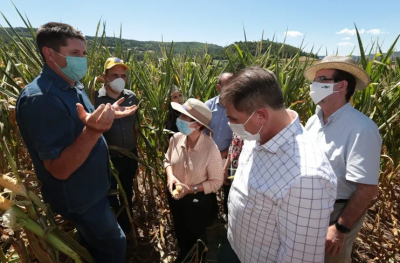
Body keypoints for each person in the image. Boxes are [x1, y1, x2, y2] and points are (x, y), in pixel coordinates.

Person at [16, 22, 137, 263]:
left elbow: (82, 123)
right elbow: (59, 169)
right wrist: (94, 131)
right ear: (49, 54)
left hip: (93, 189)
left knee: (93, 247)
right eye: (74, 54)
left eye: (83, 54)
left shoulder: (73, 85)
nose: (82, 60)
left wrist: (108, 111)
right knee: (114, 245)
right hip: (79, 197)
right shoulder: (41, 99)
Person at [219, 67, 337, 263]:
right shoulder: (256, 135)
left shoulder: (307, 178)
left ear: (261, 116)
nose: (230, 124)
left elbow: (299, 258)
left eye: (234, 119)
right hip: (236, 249)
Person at [304, 55, 382, 263]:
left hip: (336, 213)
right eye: (314, 81)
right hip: (308, 208)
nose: (314, 85)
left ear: (342, 85)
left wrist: (340, 228)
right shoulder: (314, 121)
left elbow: (367, 189)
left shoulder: (362, 129)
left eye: (321, 80)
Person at [164, 98, 224, 263]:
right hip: (175, 194)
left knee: (196, 233)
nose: (179, 120)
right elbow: (167, 160)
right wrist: (171, 176)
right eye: (180, 115)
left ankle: (197, 257)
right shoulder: (175, 138)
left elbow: (216, 182)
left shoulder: (210, 149)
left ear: (197, 125)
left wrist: (190, 189)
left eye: (184, 117)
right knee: (180, 227)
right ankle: (184, 253)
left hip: (196, 200)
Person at [94, 57, 138, 235]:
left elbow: (134, 126)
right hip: (107, 157)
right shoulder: (95, 97)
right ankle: (115, 227)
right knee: (110, 193)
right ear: (105, 77)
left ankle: (128, 223)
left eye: (123, 75)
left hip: (129, 155)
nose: (120, 79)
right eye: (114, 75)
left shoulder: (131, 96)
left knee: (127, 189)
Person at [205, 72, 233, 224]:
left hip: (229, 157)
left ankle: (229, 217)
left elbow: (240, 138)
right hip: (208, 157)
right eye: (227, 85)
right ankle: (212, 218)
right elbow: (200, 133)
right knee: (209, 189)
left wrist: (223, 154)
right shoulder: (207, 107)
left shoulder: (240, 108)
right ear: (218, 87)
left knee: (229, 189)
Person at [221, 133, 244, 220]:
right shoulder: (237, 128)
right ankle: (228, 217)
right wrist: (226, 168)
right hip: (233, 168)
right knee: (229, 194)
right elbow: (232, 148)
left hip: (244, 171)